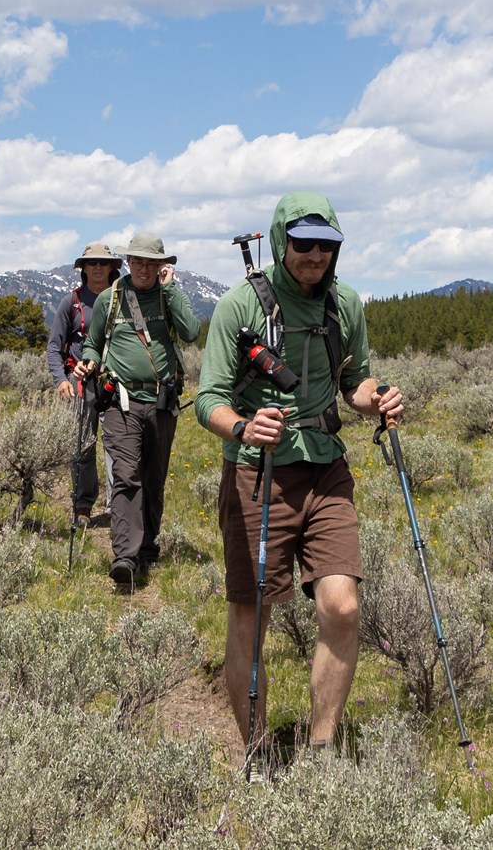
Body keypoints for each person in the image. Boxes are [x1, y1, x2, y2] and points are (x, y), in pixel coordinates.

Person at [194, 191, 403, 754]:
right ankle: (257, 752)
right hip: (257, 473)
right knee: (251, 617)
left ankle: (322, 748)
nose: (315, 254)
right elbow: (207, 398)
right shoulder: (242, 305)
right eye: (303, 243)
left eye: (326, 244)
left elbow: (354, 382)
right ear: (282, 239)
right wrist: (242, 428)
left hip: (326, 465)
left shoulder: (346, 303)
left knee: (342, 604)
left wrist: (375, 400)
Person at [75, 233, 200, 585]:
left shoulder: (168, 297)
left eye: (152, 263)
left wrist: (172, 290)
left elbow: (191, 332)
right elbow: (94, 343)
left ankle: (147, 547)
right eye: (139, 261)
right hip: (121, 402)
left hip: (162, 401)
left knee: (153, 478)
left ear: (163, 266)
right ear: (129, 262)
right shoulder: (110, 300)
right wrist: (87, 361)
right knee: (127, 475)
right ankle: (125, 556)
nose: (144, 269)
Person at [45, 240, 120, 526]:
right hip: (81, 384)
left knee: (118, 445)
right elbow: (54, 346)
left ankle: (118, 506)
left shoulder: (122, 297)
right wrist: (60, 380)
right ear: (84, 268)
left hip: (116, 383)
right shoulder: (72, 301)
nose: (98, 267)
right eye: (92, 263)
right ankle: (82, 505)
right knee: (82, 446)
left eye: (103, 263)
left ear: (112, 268)